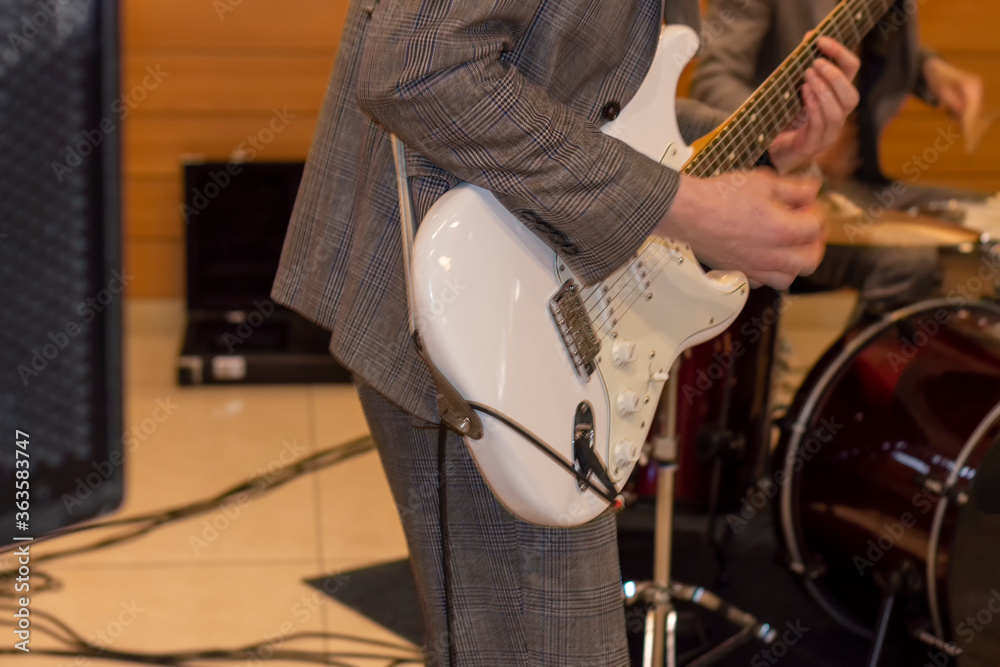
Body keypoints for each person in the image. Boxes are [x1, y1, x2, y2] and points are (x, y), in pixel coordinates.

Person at [272, 1, 859, 664]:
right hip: (473, 302)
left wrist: (756, 142)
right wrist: (686, 207)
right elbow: (418, 68)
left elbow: (587, 94)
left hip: (520, 285)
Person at [692, 0, 988, 313]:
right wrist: (786, 134)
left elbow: (872, 39)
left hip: (861, 185)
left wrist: (929, 70)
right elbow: (712, 80)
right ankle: (869, 348)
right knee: (909, 262)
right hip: (784, 186)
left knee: (989, 222)